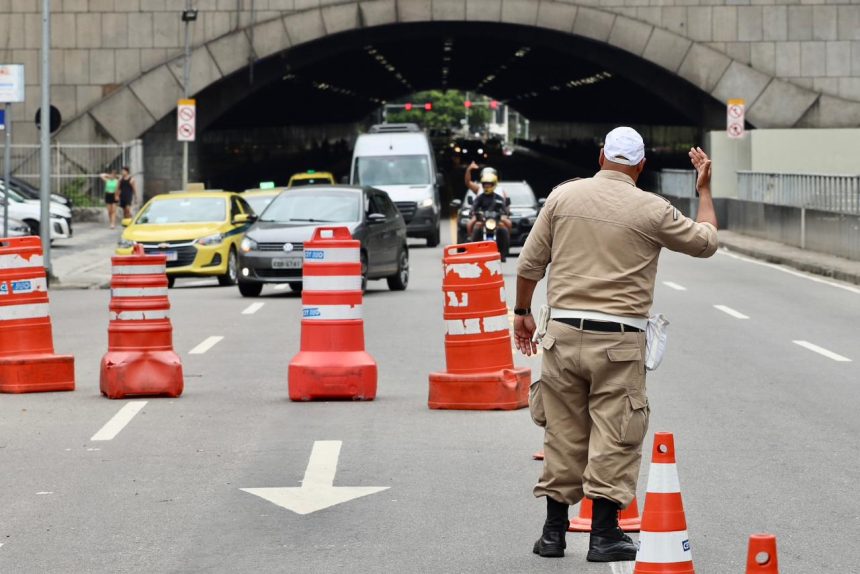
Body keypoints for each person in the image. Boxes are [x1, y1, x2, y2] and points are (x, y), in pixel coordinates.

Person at [513, 127, 718, 563]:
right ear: (641, 166)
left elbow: (530, 262)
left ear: (601, 154)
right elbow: (705, 242)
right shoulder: (652, 209)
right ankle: (604, 536)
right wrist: (704, 192)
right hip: (619, 342)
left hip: (562, 335)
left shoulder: (562, 198)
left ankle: (553, 534)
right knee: (616, 435)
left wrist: (521, 313)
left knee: (563, 432)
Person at [467, 171, 511, 261]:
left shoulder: (499, 198)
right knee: (475, 228)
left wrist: (505, 213)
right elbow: (474, 206)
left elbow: (504, 208)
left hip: (496, 221)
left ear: (494, 185)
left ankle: (503, 254)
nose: (487, 186)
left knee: (504, 230)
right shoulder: (480, 198)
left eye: (489, 184)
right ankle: (473, 251)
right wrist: (472, 211)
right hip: (483, 220)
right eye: (485, 184)